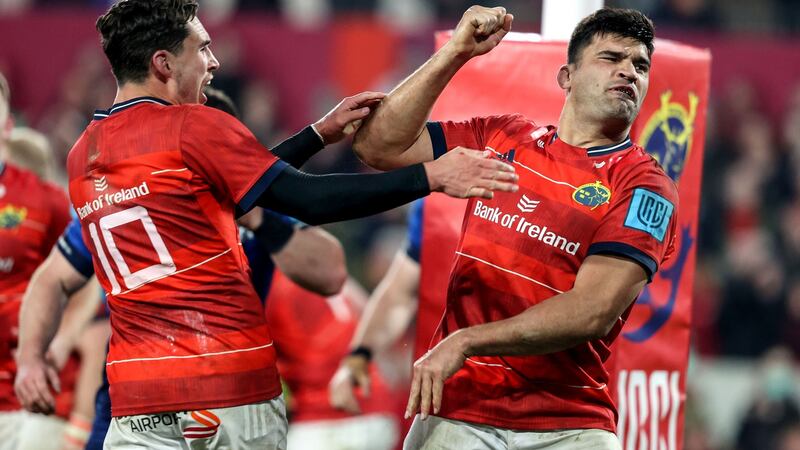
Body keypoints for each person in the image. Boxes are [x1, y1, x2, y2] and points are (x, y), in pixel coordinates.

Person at [15, 2, 517, 444]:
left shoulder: (84, 152)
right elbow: (306, 201)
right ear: (163, 64)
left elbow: (205, 194)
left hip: (136, 393)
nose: (214, 63)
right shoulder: (194, 125)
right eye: (203, 49)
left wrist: (317, 134)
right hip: (225, 382)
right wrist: (429, 175)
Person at [353, 6, 679, 449]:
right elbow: (378, 146)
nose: (628, 72)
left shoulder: (644, 184)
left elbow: (593, 311)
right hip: (459, 413)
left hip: (569, 424)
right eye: (611, 58)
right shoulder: (501, 138)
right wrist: (455, 52)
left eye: (640, 65)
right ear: (566, 77)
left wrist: (466, 342)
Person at [0, 71, 74, 450]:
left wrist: (62, 341)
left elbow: (87, 276)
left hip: (24, 401)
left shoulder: (45, 201)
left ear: (8, 124)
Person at [266, 271, 401, 450]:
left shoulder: (264, 278)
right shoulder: (324, 264)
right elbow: (369, 313)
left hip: (319, 422)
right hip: (376, 414)